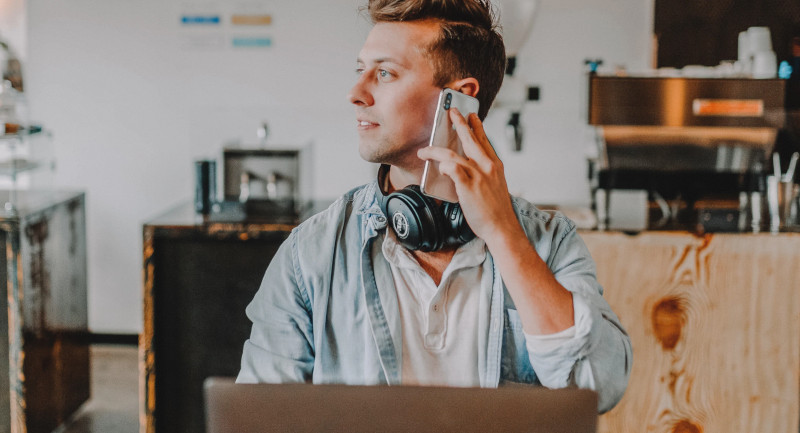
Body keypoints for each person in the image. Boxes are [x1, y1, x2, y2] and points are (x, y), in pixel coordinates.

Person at [237, 0, 632, 413]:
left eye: (384, 73)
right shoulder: (310, 254)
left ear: (458, 100)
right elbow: (258, 416)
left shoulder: (549, 243)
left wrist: (503, 234)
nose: (355, 93)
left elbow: (599, 385)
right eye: (361, 70)